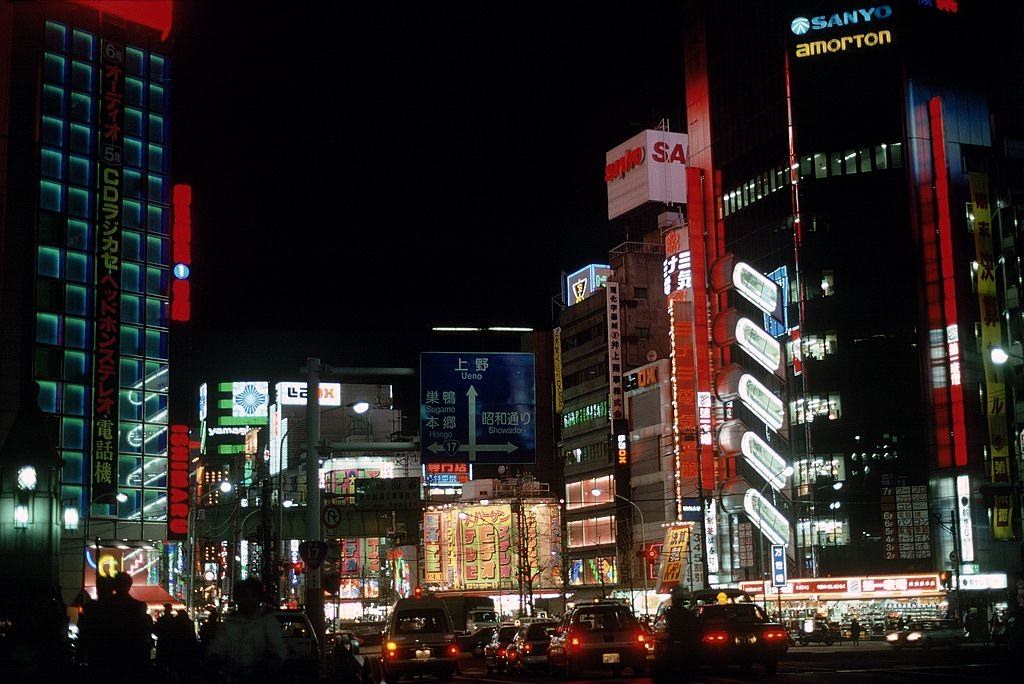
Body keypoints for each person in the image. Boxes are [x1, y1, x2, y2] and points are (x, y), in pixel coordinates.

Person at [206, 578, 287, 683]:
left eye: (253, 596)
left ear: (259, 599)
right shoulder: (231, 623)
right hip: (233, 676)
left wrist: (269, 664)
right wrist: (214, 658)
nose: (249, 600)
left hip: (260, 677)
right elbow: (219, 645)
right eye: (244, 596)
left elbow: (278, 649)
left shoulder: (266, 621)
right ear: (238, 599)